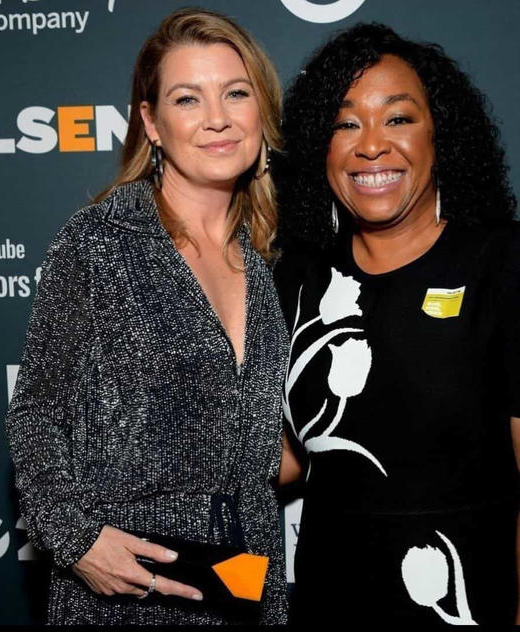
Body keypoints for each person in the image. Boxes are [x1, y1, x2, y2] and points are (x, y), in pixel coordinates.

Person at [6, 8, 289, 626]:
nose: (217, 118)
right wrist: (77, 541)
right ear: (152, 123)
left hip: (247, 584)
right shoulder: (101, 242)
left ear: (260, 109)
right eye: (188, 99)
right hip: (128, 592)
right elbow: (36, 414)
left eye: (235, 93)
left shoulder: (268, 259)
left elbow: (259, 441)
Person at [274, 23, 520, 625]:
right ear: (321, 146)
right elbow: (288, 458)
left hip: (462, 599)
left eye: (398, 118)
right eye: (346, 124)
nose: (371, 146)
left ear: (441, 134)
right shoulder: (298, 279)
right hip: (329, 600)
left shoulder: (503, 264)